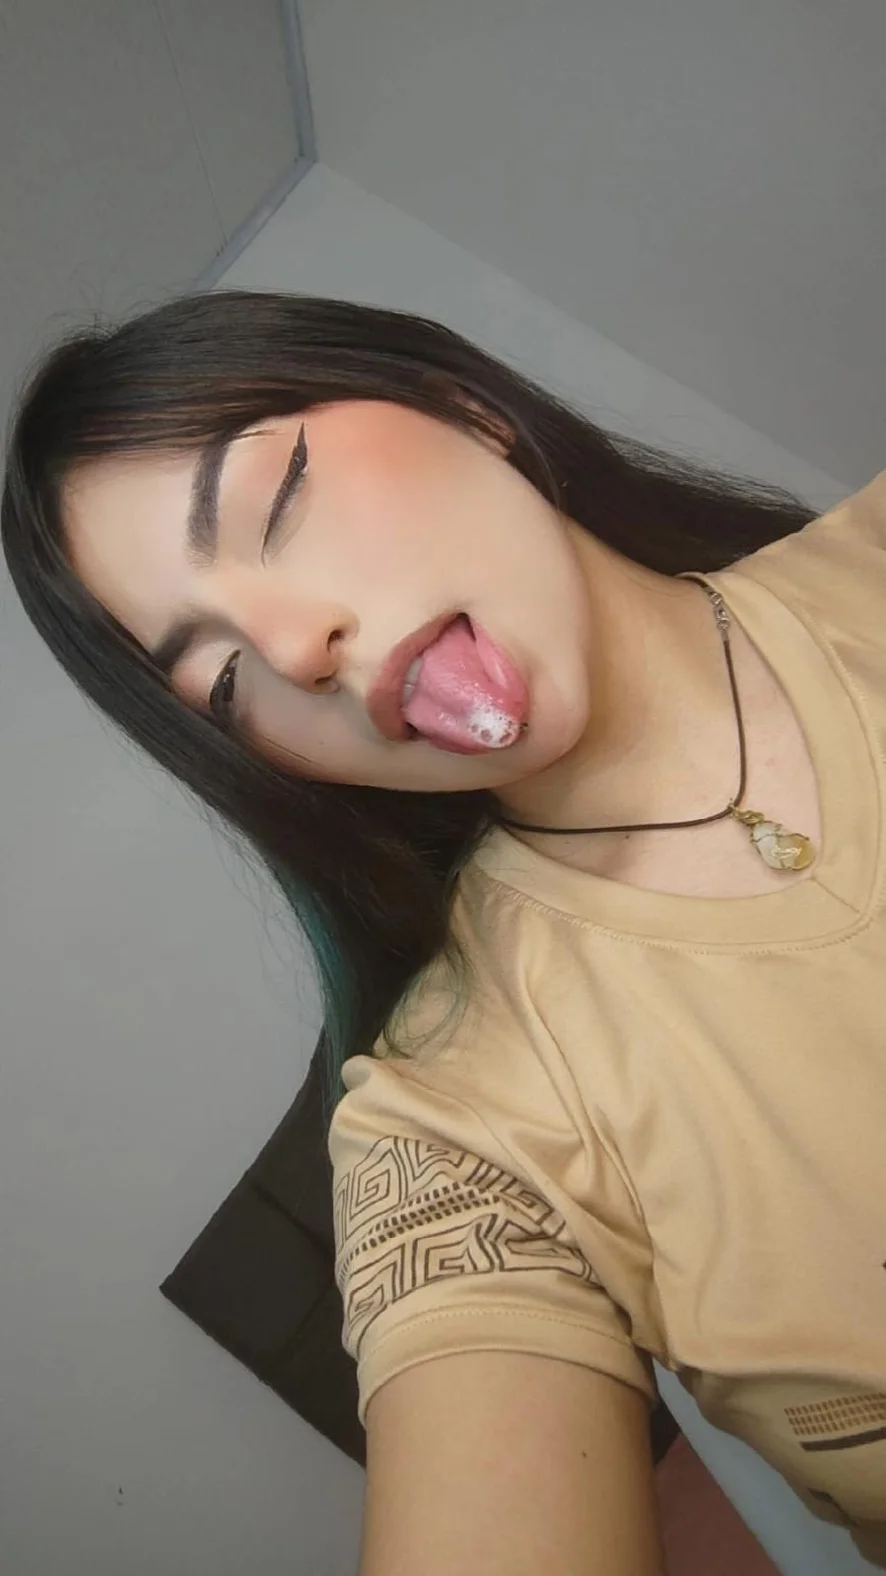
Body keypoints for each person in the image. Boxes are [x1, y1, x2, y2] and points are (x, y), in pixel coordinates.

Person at [3, 290, 884, 1575]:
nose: (296, 645)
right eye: (225, 680)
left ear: (461, 407)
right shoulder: (448, 1126)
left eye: (275, 501)